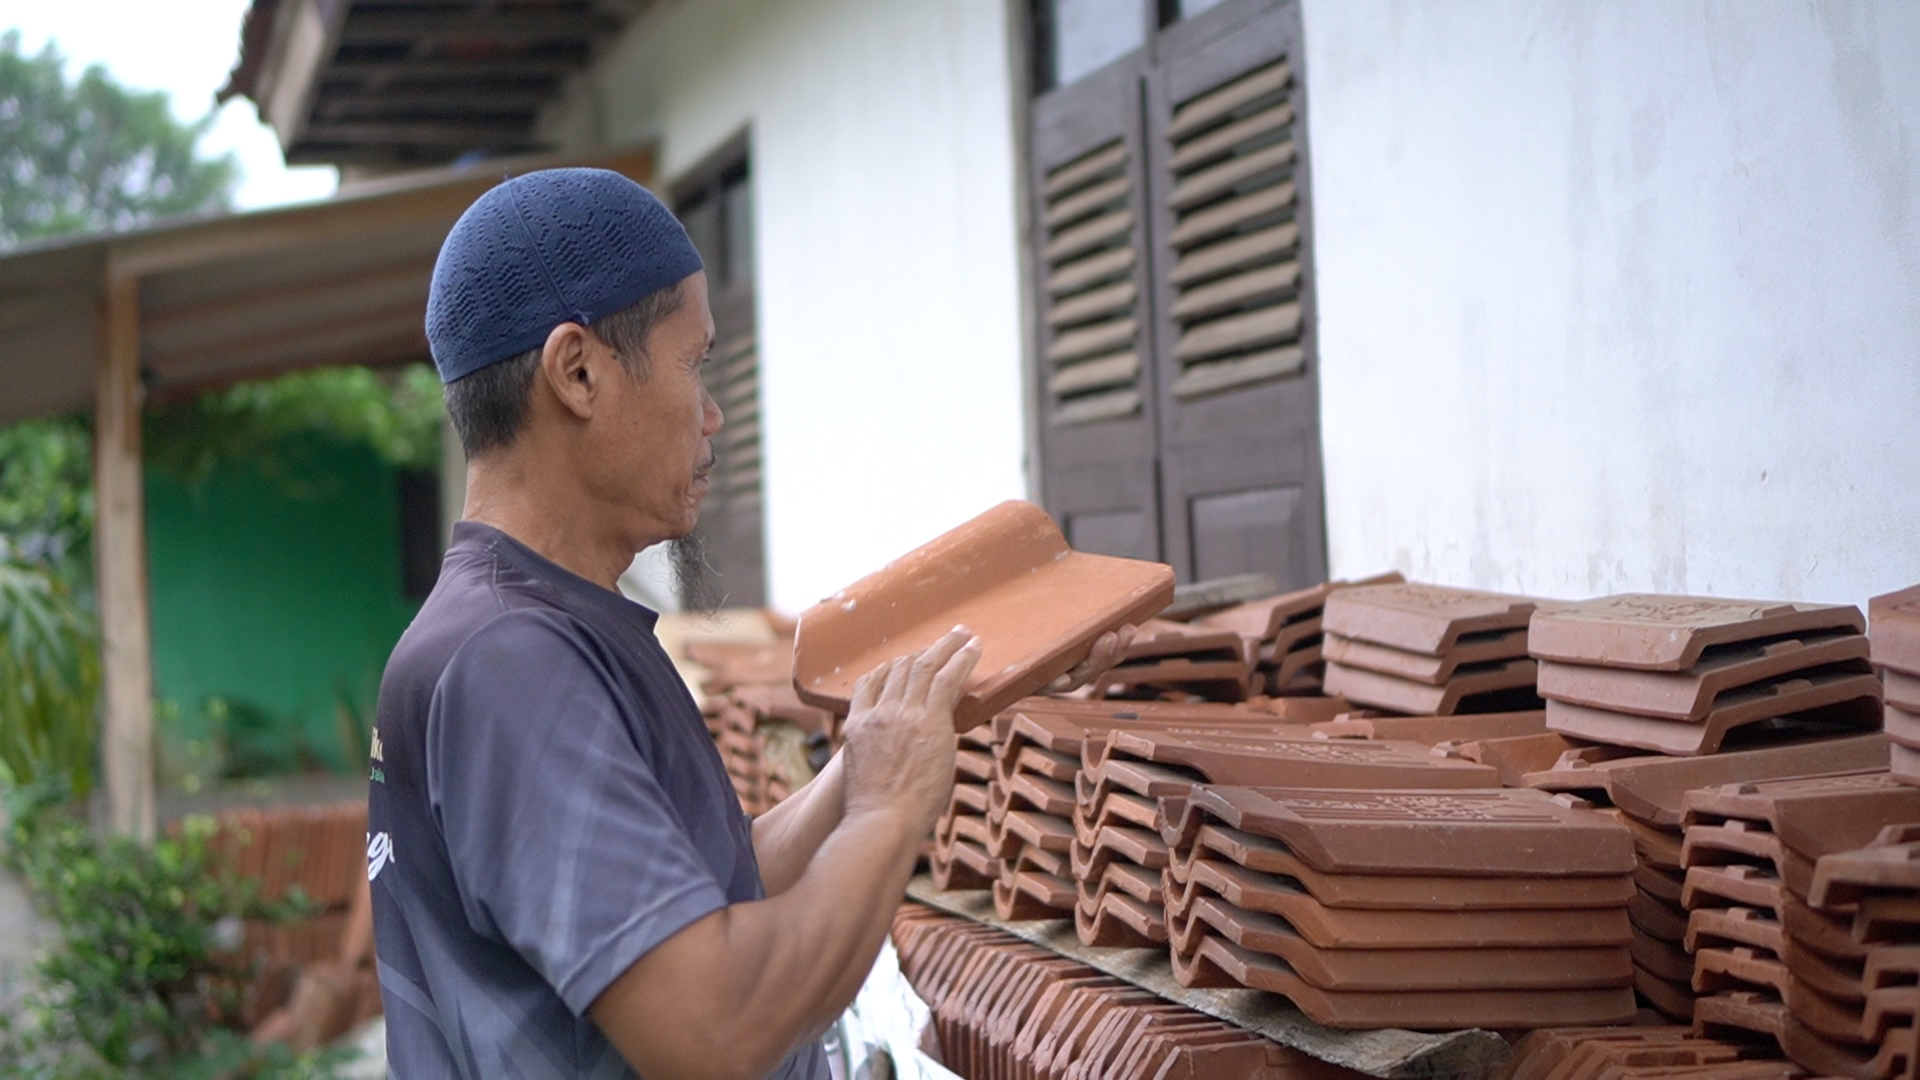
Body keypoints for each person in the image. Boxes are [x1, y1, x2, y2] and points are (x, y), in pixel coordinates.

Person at [369, 168, 1124, 1079]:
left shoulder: (540, 625)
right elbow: (712, 1026)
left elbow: (708, 889)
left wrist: (876, 753)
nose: (715, 413)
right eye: (696, 363)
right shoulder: (509, 661)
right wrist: (890, 811)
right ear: (577, 373)